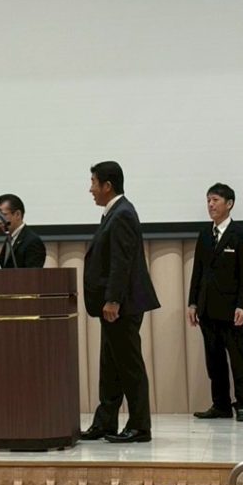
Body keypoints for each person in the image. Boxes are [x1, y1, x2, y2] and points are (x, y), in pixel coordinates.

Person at [81, 161, 160, 443]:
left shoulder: (122, 213)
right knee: (111, 367)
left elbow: (121, 262)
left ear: (107, 185)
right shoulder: (114, 212)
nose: (90, 189)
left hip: (122, 306)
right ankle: (105, 423)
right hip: (116, 306)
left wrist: (113, 299)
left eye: (93, 182)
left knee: (129, 366)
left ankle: (140, 426)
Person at [187, 182, 243, 422]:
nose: (210, 205)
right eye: (208, 200)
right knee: (214, 360)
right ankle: (220, 405)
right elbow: (198, 271)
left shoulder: (242, 235)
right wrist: (192, 303)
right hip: (207, 308)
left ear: (229, 204)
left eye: (215, 200)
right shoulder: (205, 234)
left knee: (238, 359)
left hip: (233, 309)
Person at [0, 193, 46, 269]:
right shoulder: (10, 238)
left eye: (3, 215)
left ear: (18, 214)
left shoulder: (33, 242)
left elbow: (33, 274)